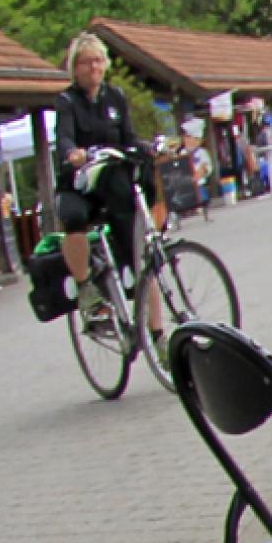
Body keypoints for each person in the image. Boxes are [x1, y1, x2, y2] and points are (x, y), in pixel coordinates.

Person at [48, 34, 165, 330]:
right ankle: (86, 286)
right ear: (75, 68)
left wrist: (149, 147)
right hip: (80, 182)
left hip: (111, 182)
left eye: (99, 60)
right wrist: (71, 153)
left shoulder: (115, 98)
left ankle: (158, 333)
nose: (94, 67)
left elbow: (128, 137)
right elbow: (63, 136)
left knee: (139, 253)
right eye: (87, 62)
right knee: (73, 216)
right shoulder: (66, 101)